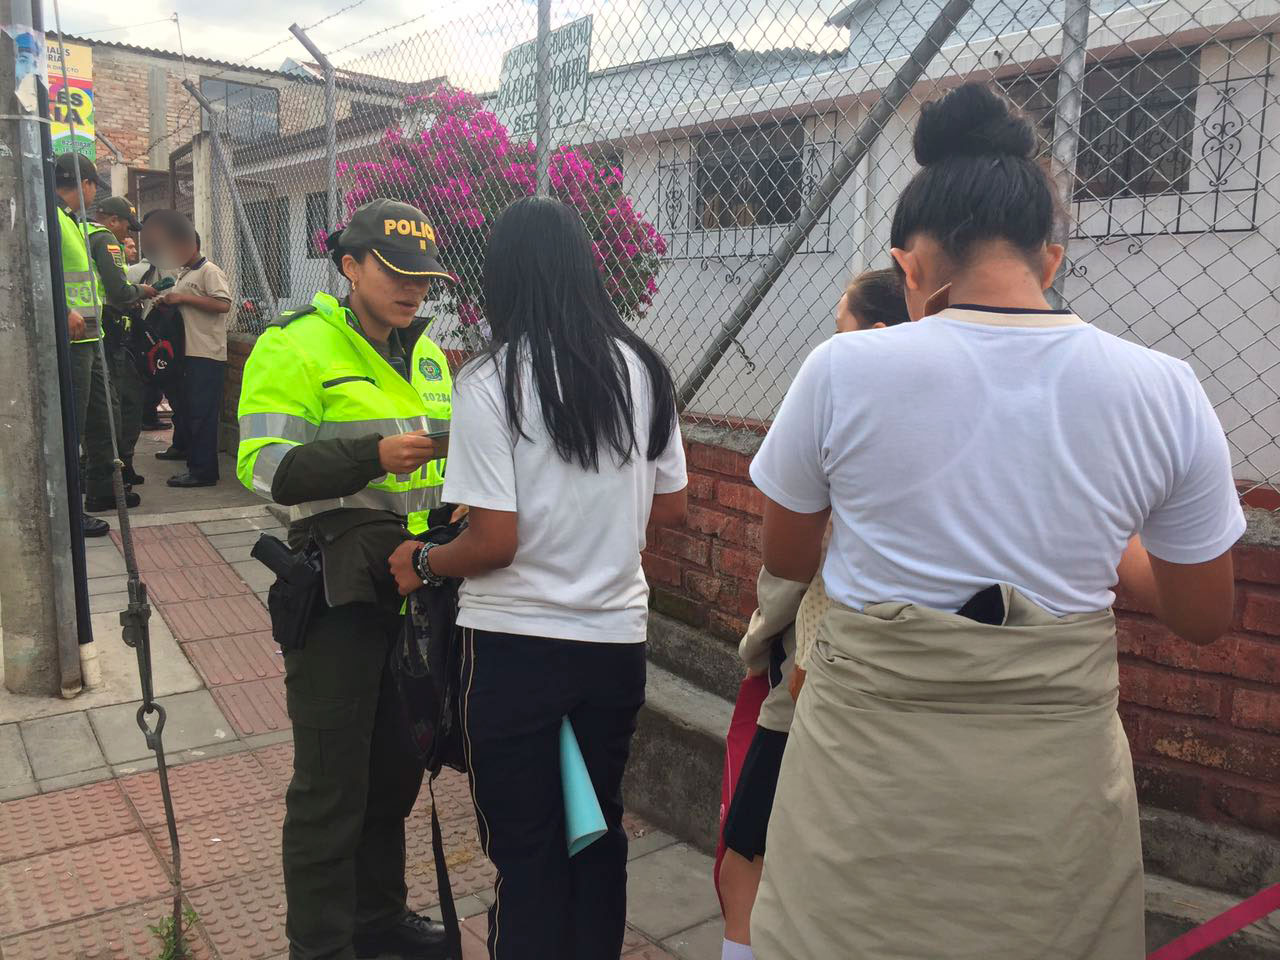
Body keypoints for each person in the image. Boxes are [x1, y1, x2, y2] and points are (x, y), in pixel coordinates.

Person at [748, 83, 1245, 959]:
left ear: (911, 266)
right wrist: (1097, 524)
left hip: (865, 781)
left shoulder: (843, 371)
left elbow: (788, 554)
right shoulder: (1162, 388)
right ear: (1048, 260)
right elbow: (1203, 618)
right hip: (1051, 802)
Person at [388, 196, 688, 959]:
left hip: (515, 648)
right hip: (615, 644)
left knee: (527, 851)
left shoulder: (490, 382)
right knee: (596, 833)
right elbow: (675, 508)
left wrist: (422, 562)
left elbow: (492, 542)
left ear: (504, 282)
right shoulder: (642, 370)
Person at [236, 197, 455, 960]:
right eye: (396, 274)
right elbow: (264, 468)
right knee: (330, 785)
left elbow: (441, 473)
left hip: (410, 590)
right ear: (350, 265)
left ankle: (379, 919)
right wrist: (372, 456)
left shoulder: (426, 352)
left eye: (424, 279)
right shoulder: (294, 346)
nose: (413, 291)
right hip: (331, 596)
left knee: (393, 771)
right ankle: (322, 947)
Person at [715, 269, 909, 960]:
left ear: (877, 337)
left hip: (815, 674)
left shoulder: (846, 394)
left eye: (842, 324)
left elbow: (790, 559)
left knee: (749, 848)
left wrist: (769, 648)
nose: (835, 337)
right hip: (907, 704)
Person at [146, 210, 232, 488]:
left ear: (190, 245)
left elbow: (223, 304)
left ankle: (203, 472)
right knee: (189, 410)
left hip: (207, 354)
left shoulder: (210, 271)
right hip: (188, 354)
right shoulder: (187, 273)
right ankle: (189, 458)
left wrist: (182, 297)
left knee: (202, 415)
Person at [52, 153, 111, 537]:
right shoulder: (52, 217)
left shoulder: (72, 221)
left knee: (94, 422)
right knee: (70, 431)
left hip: (90, 339)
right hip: (73, 342)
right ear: (84, 183)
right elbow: (39, 270)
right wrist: (65, 308)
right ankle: (69, 515)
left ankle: (89, 497)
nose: (94, 195)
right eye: (94, 187)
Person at [86, 195, 157, 500]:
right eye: (127, 226)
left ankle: (99, 475)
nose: (128, 234)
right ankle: (106, 481)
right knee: (113, 407)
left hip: (90, 330)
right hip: (105, 334)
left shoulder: (80, 232)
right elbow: (118, 290)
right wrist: (143, 290)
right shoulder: (105, 241)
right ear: (113, 220)